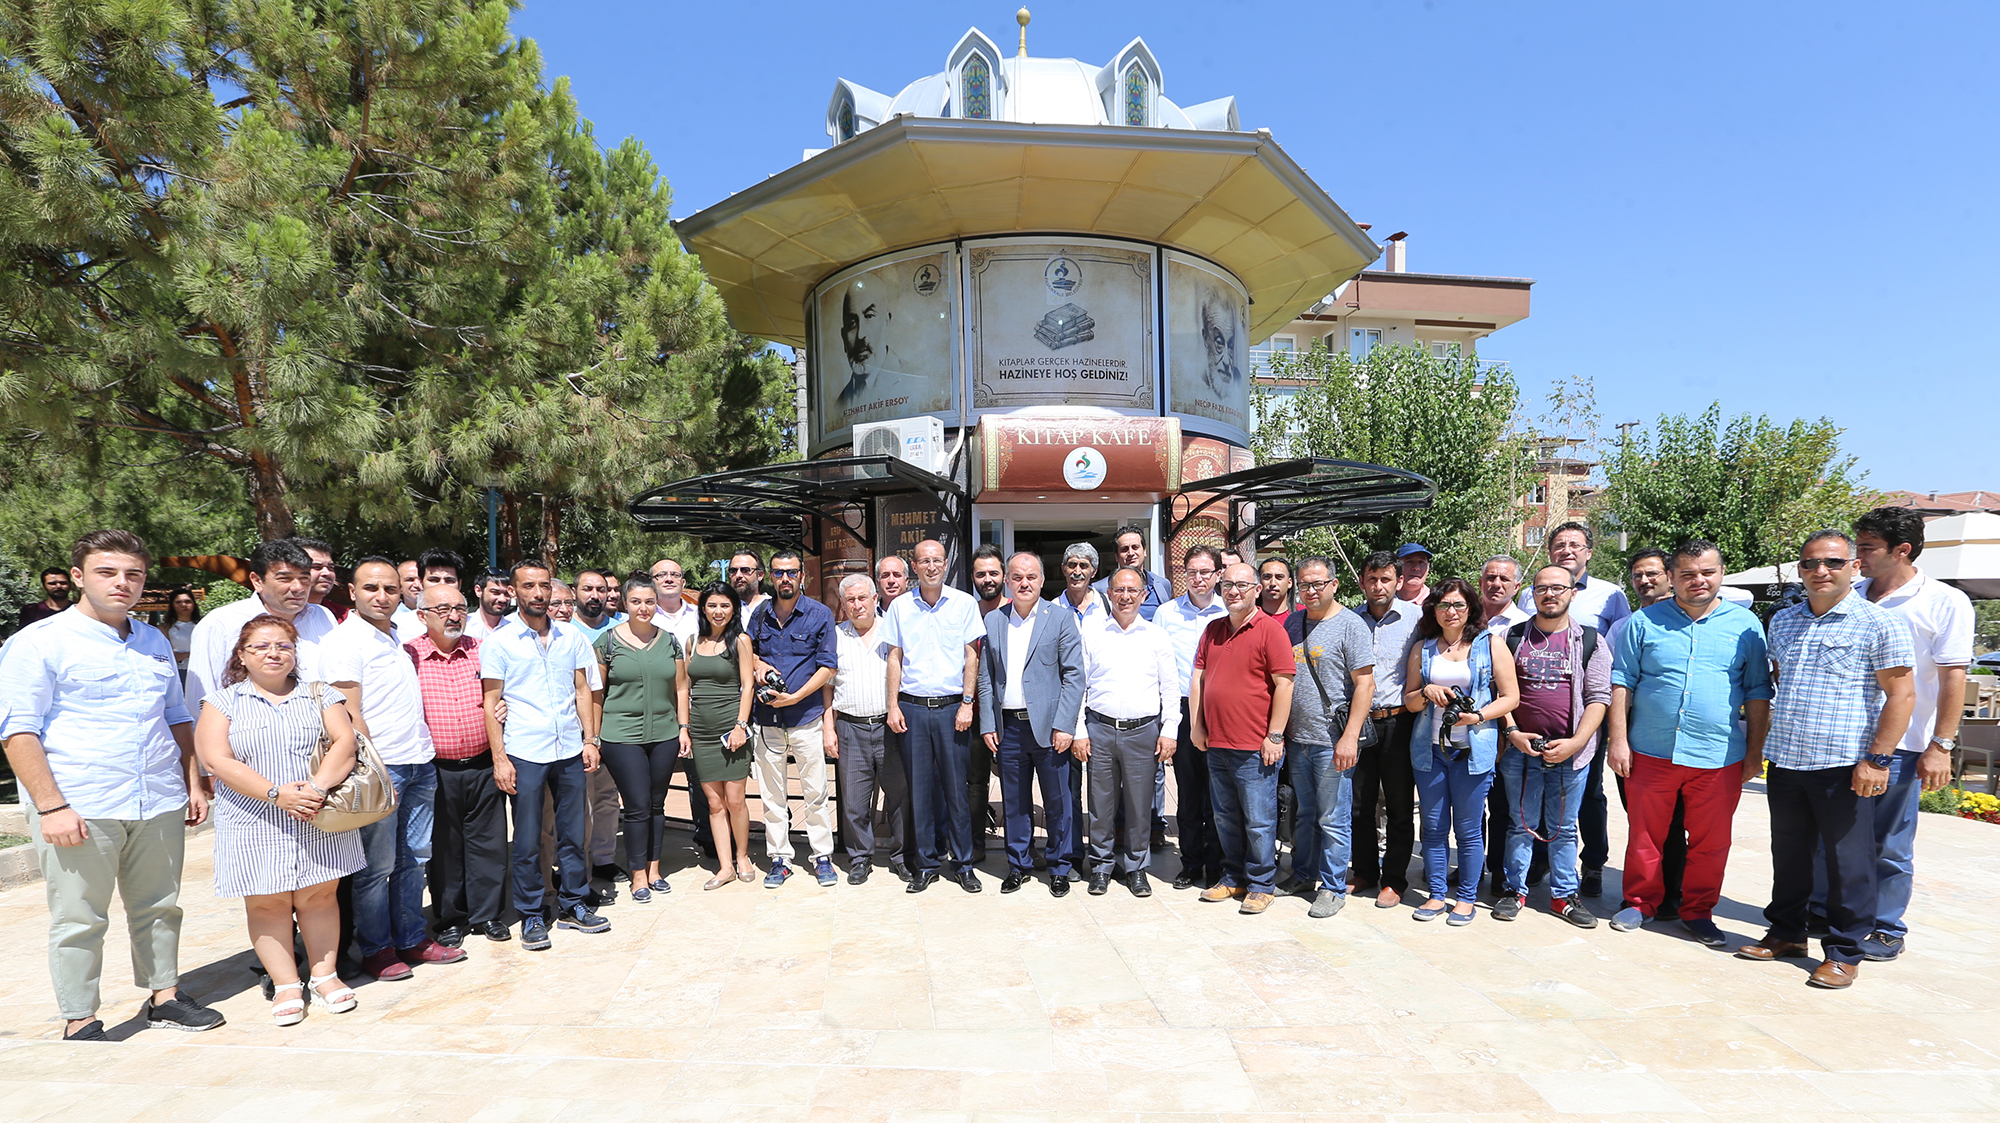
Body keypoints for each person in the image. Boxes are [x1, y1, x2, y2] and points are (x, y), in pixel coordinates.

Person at [0, 530, 223, 1040]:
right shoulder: (38, 642)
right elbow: (17, 730)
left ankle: (165, 996)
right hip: (81, 802)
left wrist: (192, 781)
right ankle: (80, 1018)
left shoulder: (153, 640)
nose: (122, 583)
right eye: (107, 572)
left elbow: (176, 715)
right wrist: (51, 807)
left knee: (160, 906)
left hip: (158, 797)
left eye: (133, 574)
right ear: (79, 576)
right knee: (79, 916)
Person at [1737, 530, 1914, 990]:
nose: (1821, 571)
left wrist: (1878, 759)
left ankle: (1845, 951)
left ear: (1854, 567)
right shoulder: (1784, 621)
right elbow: (1780, 683)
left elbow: (1902, 695)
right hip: (1788, 759)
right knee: (1789, 855)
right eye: (1811, 562)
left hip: (1845, 764)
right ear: (1800, 569)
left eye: (1833, 562)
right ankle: (1787, 933)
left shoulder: (1879, 623)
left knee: (1848, 864)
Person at [196, 612, 363, 1026]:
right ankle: (287, 984)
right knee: (266, 901)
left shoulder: (320, 695)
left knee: (319, 896)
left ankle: (324, 976)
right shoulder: (222, 702)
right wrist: (276, 793)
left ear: (295, 653)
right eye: (261, 646)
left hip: (316, 812)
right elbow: (215, 758)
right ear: (242, 655)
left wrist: (316, 788)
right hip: (253, 818)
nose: (273, 653)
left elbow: (345, 741)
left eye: (283, 646)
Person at [1607, 540, 1771, 945]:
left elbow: (1757, 691)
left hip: (1718, 756)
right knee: (1645, 836)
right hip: (1651, 751)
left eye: (1707, 572)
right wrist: (1618, 740)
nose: (1698, 580)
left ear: (1721, 573)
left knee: (1711, 843)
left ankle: (1698, 911)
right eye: (1687, 574)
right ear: (1672, 577)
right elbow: (1622, 682)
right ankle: (1639, 902)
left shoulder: (1746, 625)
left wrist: (1755, 752)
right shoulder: (1643, 623)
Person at [323, 558, 462, 981]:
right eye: (371, 588)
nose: (381, 596)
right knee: (377, 868)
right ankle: (377, 948)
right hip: (384, 769)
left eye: (389, 588)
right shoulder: (345, 641)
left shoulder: (397, 635)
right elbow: (350, 714)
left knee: (414, 860)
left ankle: (411, 938)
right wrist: (375, 771)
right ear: (352, 592)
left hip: (419, 762)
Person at [1843, 506, 1971, 961]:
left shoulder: (1943, 601)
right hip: (1841, 739)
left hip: (1902, 745)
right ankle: (1825, 912)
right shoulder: (1849, 593)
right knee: (1830, 836)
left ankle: (1885, 926)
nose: (1857, 556)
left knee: (1889, 843)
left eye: (1867, 548)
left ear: (1902, 550)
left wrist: (1941, 745)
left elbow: (1953, 677)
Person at [480, 560, 608, 950]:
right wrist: (500, 758)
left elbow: (583, 690)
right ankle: (532, 912)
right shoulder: (500, 641)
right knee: (528, 839)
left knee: (573, 834)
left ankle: (574, 902)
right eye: (528, 586)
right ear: (514, 591)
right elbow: (491, 702)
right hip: (525, 751)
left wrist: (590, 739)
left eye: (544, 586)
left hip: (569, 748)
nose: (538, 593)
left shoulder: (571, 637)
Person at [1515, 522, 1632, 898]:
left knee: (1589, 796)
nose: (1566, 550)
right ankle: (1536, 864)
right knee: (1531, 804)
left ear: (1589, 553)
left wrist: (1585, 736)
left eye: (1575, 545)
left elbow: (1613, 659)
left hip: (1583, 725)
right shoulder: (1526, 606)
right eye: (1559, 544)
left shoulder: (1610, 595)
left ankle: (1592, 864)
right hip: (1530, 730)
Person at [1493, 565, 1613, 928]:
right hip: (1520, 750)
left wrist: (1576, 743)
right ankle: (1514, 890)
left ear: (1572, 593)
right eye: (1542, 588)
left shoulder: (1590, 641)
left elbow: (1598, 697)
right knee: (1519, 824)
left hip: (1569, 752)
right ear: (1532, 594)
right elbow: (1499, 691)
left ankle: (1564, 896)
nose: (1550, 594)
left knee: (1564, 829)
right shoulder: (1513, 637)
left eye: (1558, 588)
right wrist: (1512, 732)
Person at [1402, 577, 1519, 925]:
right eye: (1443, 605)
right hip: (1430, 749)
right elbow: (1409, 701)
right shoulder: (1422, 648)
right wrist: (1426, 692)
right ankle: (1437, 895)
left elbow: (1511, 697)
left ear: (1470, 609)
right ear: (1433, 609)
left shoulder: (1490, 644)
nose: (1450, 611)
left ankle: (1467, 898)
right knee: (1433, 827)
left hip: (1473, 749)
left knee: (1468, 830)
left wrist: (1478, 716)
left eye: (1458, 605)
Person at [407, 583, 511, 946]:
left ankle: (488, 915)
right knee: (444, 847)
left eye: (460, 608)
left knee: (489, 843)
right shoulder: (409, 656)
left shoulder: (484, 651)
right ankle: (450, 917)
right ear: (422, 615)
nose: (454, 616)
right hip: (435, 769)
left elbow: (504, 693)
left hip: (484, 762)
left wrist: (505, 706)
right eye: (443, 610)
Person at [1189, 561, 1296, 914]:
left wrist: (1275, 735)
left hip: (1254, 747)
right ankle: (1233, 877)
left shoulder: (1271, 631)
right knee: (1225, 817)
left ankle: (1262, 884)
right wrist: (1197, 725)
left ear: (1257, 590)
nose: (1233, 591)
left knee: (1259, 821)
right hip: (1217, 743)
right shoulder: (1213, 629)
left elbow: (1284, 685)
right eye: (1228, 585)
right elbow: (1199, 678)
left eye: (1242, 585)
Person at [978, 552, 1085, 895]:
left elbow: (1074, 676)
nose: (1024, 583)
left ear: (1041, 580)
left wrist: (1065, 725)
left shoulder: (1060, 618)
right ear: (1008, 582)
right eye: (1017, 577)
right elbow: (985, 677)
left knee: (1058, 802)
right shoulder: (994, 620)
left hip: (1050, 729)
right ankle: (1019, 864)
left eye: (1031, 577)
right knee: (1015, 803)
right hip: (1008, 728)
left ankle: (1059, 866)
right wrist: (988, 723)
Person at [884, 539, 985, 893]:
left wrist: (967, 703)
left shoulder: (964, 603)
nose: (931, 566)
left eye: (937, 560)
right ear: (914, 567)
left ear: (945, 565)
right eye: (924, 561)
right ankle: (926, 864)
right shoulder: (900, 607)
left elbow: (971, 656)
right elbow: (894, 657)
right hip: (912, 709)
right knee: (920, 791)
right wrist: (893, 705)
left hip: (952, 709)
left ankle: (963, 864)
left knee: (957, 790)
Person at [1281, 557, 1376, 919]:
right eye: (1304, 584)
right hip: (1298, 739)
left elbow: (1365, 685)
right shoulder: (1294, 622)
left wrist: (1349, 737)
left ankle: (1333, 887)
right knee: (1305, 815)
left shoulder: (1351, 625)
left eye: (1318, 583)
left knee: (1333, 818)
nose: (1311, 590)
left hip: (1332, 742)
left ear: (1334, 584)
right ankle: (1304, 874)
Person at [1073, 565, 1174, 896]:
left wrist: (1170, 729)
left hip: (1143, 731)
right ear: (1109, 594)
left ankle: (1136, 867)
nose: (1126, 596)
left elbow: (1170, 687)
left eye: (1132, 590)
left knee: (1140, 805)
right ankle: (1101, 866)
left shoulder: (1156, 636)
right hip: (1100, 729)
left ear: (1143, 595)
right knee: (1100, 805)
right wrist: (1079, 730)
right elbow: (1079, 686)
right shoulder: (1093, 633)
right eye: (1119, 590)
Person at [746, 550, 839, 889]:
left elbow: (828, 667)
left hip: (806, 716)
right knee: (772, 796)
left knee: (815, 792)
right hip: (767, 719)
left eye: (791, 572)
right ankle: (780, 859)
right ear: (769, 577)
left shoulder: (820, 614)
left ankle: (822, 857)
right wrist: (758, 664)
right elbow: (747, 650)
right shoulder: (760, 614)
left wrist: (796, 697)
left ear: (802, 576)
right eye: (778, 572)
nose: (785, 578)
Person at [593, 575, 689, 902]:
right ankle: (637, 875)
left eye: (649, 601)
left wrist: (683, 727)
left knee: (657, 803)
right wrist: (593, 738)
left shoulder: (670, 641)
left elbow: (681, 687)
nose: (643, 608)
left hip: (664, 734)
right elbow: (596, 694)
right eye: (636, 602)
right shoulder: (607, 642)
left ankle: (654, 869)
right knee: (637, 806)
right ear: (625, 603)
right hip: (621, 736)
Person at [1607, 547, 1690, 920]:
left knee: (1677, 824)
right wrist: (1618, 739)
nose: (1644, 580)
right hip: (1635, 742)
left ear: (1670, 576)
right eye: (1637, 575)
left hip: (1682, 744)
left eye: (1652, 573)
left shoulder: (1690, 621)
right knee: (1643, 824)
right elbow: (1614, 684)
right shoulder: (1624, 627)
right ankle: (1644, 895)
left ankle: (1674, 894)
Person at [185, 540, 339, 714]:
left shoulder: (323, 617)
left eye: (304, 579)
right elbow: (201, 701)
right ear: (257, 581)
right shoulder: (220, 625)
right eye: (285, 578)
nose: (298, 588)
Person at [823, 575, 907, 884]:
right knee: (854, 802)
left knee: (899, 798)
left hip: (889, 727)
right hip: (850, 727)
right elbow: (828, 686)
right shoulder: (835, 636)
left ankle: (902, 856)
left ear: (874, 599)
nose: (857, 605)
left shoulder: (892, 631)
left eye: (862, 598)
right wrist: (828, 728)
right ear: (843, 604)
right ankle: (860, 857)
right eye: (850, 600)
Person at [1155, 546, 1228, 891]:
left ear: (1218, 575)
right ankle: (1191, 862)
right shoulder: (1166, 613)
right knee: (1188, 791)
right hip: (1182, 708)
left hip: (1220, 708)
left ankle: (1216, 864)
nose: (1198, 579)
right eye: (1192, 572)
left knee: (1218, 791)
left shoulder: (1229, 610)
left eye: (1205, 572)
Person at [1351, 551, 1420, 909]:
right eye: (1372, 579)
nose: (1378, 586)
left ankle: (1394, 880)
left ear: (1398, 581)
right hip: (1359, 722)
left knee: (1398, 806)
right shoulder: (1351, 620)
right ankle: (1364, 871)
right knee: (1360, 804)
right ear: (1362, 582)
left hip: (1400, 722)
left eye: (1386, 579)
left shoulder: (1416, 619)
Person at [686, 582, 757, 890]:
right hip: (701, 731)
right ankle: (725, 866)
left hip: (731, 729)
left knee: (735, 800)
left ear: (734, 609)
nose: (718, 611)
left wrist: (741, 725)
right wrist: (685, 728)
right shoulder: (692, 641)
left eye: (725, 605)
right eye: (712, 605)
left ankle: (742, 856)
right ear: (703, 608)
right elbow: (685, 687)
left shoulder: (740, 640)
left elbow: (748, 685)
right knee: (714, 803)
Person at [968, 543, 1006, 860]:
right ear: (973, 577)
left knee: (1016, 783)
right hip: (974, 713)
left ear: (1003, 575)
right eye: (981, 574)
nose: (988, 579)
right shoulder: (967, 614)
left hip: (1011, 714)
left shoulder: (1016, 610)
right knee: (976, 782)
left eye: (993, 572)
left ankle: (1022, 848)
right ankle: (975, 844)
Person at [1092, 528, 1174, 621]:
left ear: (1144, 551)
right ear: (1116, 556)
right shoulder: (1099, 589)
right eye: (1124, 549)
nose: (1131, 553)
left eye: (1135, 547)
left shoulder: (1163, 584)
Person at [650, 556, 700, 649]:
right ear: (651, 583)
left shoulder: (699, 614)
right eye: (661, 575)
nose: (669, 579)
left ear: (683, 583)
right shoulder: (644, 616)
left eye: (675, 575)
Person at [1058, 542, 1109, 622]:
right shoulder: (1054, 608)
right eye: (1072, 565)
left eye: (1083, 566)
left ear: (1094, 572)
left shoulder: (1109, 604)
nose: (1077, 572)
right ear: (1063, 569)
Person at [1480, 555, 1529, 634]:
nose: (1496, 584)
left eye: (1504, 579)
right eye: (1491, 578)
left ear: (1516, 587)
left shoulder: (1525, 625)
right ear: (1481, 583)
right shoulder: (1464, 617)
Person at [464, 569, 515, 640]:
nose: (502, 599)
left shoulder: (515, 631)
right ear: (478, 591)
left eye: (507, 594)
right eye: (495, 592)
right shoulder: (464, 626)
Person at [573, 569, 622, 639]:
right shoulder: (562, 627)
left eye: (601, 590)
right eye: (588, 589)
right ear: (574, 593)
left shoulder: (618, 631)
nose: (595, 596)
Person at [163, 587, 201, 675]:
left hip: (201, 670)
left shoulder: (203, 626)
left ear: (194, 604)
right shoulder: (165, 628)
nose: (183, 605)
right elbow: (165, 655)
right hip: (177, 671)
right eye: (178, 602)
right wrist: (189, 654)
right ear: (172, 605)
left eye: (187, 601)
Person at [295, 537, 339, 612]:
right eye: (317, 567)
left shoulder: (342, 616)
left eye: (331, 567)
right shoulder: (275, 613)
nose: (327, 573)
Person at [729, 550, 770, 623]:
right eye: (733, 570)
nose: (738, 575)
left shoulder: (774, 607)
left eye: (745, 570)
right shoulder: (723, 609)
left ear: (760, 575)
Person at [395, 560, 425, 637]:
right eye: (410, 579)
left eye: (421, 579)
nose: (417, 585)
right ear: (398, 585)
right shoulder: (390, 619)